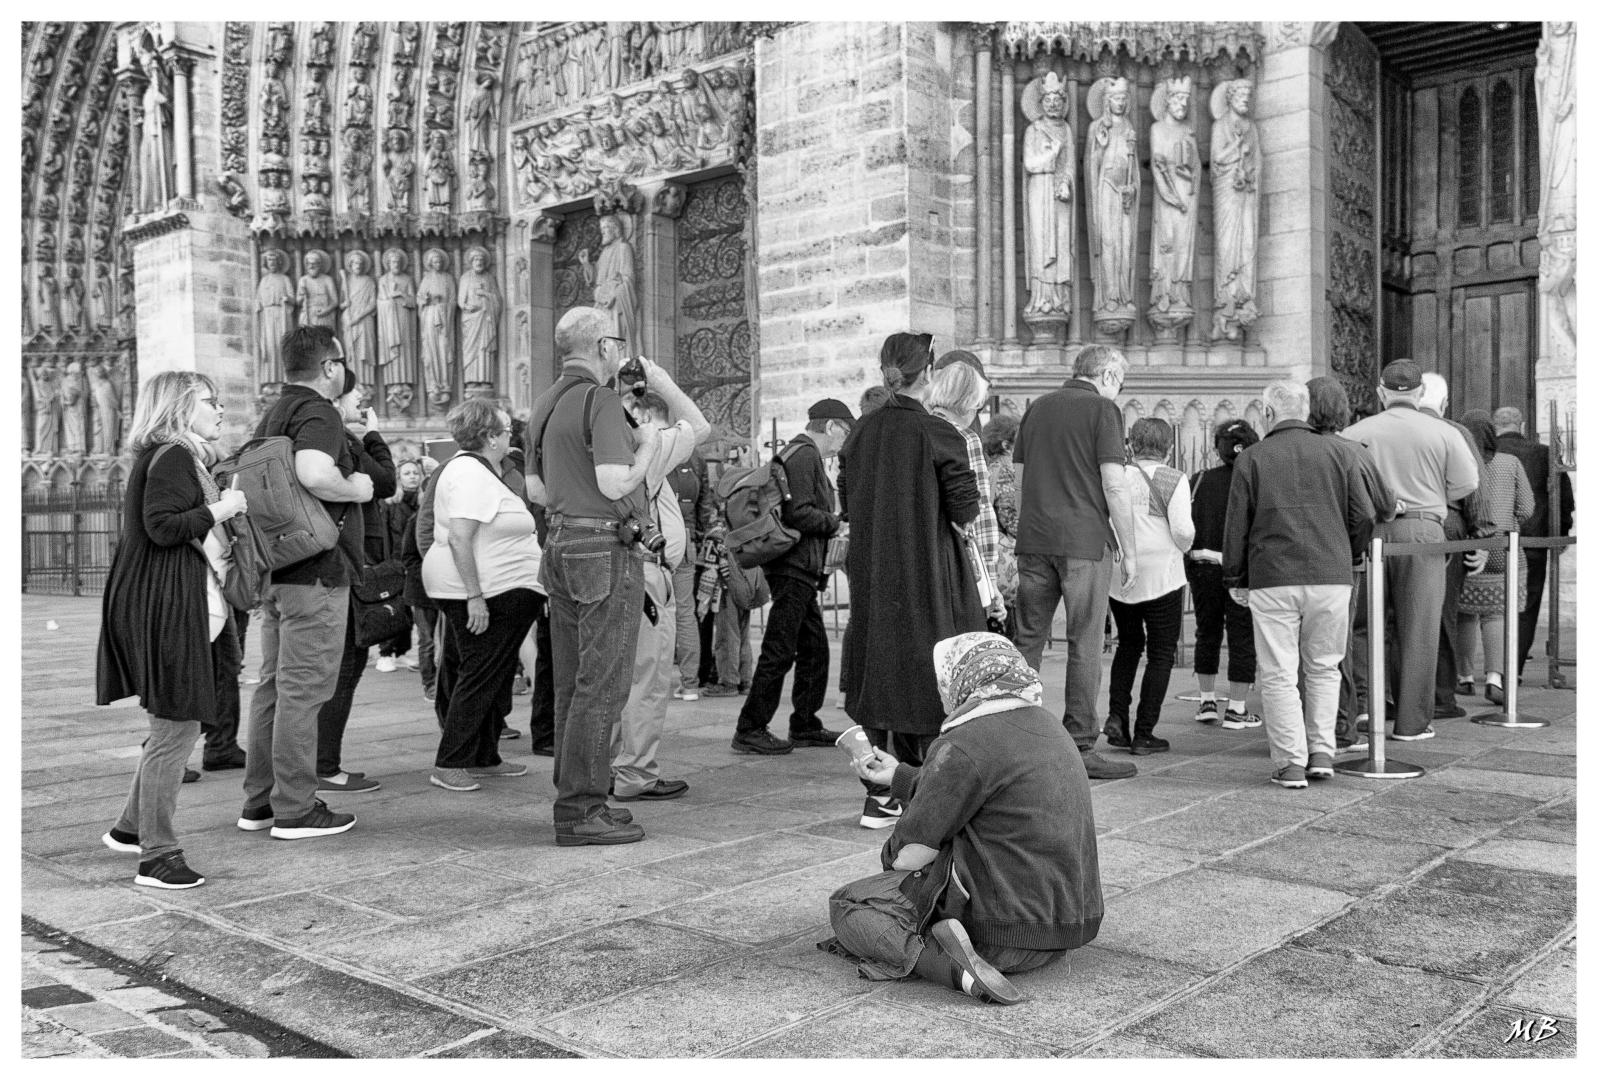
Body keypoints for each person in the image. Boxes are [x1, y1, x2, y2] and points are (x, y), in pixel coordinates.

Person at [824, 632, 1102, 1003]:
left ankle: (948, 966)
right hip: (1064, 932)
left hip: (1001, 937)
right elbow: (986, 783)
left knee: (848, 904)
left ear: (959, 681)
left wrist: (903, 841)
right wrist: (902, 778)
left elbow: (908, 856)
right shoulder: (1051, 726)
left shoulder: (964, 742)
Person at [97, 371, 249, 888]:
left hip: (175, 605)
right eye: (211, 400)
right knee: (175, 730)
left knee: (171, 725)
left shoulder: (177, 457)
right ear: (182, 408)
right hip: (170, 610)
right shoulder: (175, 456)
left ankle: (128, 828)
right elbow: (163, 527)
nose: (221, 408)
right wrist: (221, 508)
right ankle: (157, 856)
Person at [525, 307, 659, 847]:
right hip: (602, 545)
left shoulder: (545, 402)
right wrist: (646, 444)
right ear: (604, 346)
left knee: (574, 680)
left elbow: (535, 491)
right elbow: (611, 482)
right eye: (618, 344)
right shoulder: (598, 399)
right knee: (603, 683)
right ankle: (582, 809)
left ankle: (577, 796)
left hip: (559, 542)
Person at [839, 332, 984, 828]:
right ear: (929, 374)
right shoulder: (937, 432)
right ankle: (922, 792)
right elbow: (965, 510)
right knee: (931, 672)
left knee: (880, 667)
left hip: (875, 571)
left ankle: (879, 793)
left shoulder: (861, 431)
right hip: (928, 570)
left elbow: (848, 499)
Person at [241, 326, 372, 840]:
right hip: (315, 573)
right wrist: (357, 487)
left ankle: (260, 803)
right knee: (304, 690)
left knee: (273, 688)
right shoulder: (319, 412)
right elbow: (316, 472)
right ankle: (295, 807)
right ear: (331, 367)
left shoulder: (273, 411)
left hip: (277, 569)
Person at [1224, 381, 1378, 788]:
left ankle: (1291, 763)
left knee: (1278, 673)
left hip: (1273, 575)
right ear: (1306, 411)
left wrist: (1234, 576)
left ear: (1268, 413)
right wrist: (1347, 551)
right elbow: (1363, 515)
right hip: (1331, 574)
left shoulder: (1253, 458)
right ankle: (1322, 751)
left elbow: (1237, 523)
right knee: (1326, 667)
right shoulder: (1340, 452)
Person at [1011, 344, 1140, 779]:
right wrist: (1130, 547)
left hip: (1035, 539)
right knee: (1085, 642)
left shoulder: (1037, 408)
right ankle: (1080, 744)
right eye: (1119, 382)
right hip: (1084, 541)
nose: (1118, 392)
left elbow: (1021, 479)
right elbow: (1115, 484)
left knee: (1028, 638)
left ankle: (1018, 736)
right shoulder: (1103, 411)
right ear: (1105, 375)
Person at [1343, 361, 1479, 741]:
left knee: (1363, 625)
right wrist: (1432, 493)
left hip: (1370, 531)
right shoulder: (1443, 431)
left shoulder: (1354, 432)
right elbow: (1466, 485)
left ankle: (1367, 711)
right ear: (1420, 393)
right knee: (1419, 627)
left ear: (1381, 392)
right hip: (1423, 531)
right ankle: (1411, 722)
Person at [423, 400, 543, 791]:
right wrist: (475, 596)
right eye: (506, 430)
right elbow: (460, 536)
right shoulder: (469, 473)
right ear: (490, 436)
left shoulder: (478, 471)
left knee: (493, 672)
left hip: (499, 588)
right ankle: (451, 760)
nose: (511, 436)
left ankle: (483, 755)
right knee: (479, 672)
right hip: (485, 592)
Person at [732, 398, 855, 754]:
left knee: (815, 650)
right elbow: (798, 513)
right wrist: (836, 522)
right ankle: (750, 727)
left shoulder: (802, 454)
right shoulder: (804, 455)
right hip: (793, 566)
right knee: (779, 649)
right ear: (831, 426)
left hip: (799, 567)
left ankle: (805, 724)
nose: (843, 442)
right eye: (844, 432)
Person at [611, 376, 710, 800]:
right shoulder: (642, 449)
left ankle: (608, 769)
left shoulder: (594, 447)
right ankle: (634, 773)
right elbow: (701, 426)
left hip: (610, 569)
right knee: (648, 678)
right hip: (647, 572)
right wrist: (659, 378)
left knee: (614, 678)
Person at [311, 367, 396, 796]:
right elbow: (386, 481)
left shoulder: (333, 439)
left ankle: (321, 761)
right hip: (342, 564)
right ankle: (323, 764)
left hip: (342, 563)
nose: (362, 398)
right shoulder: (341, 440)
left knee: (344, 662)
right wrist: (375, 436)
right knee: (343, 664)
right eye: (356, 393)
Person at [1306, 376, 1395, 753]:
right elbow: (1382, 506)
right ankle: (1340, 726)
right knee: (1334, 647)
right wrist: (1354, 548)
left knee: (1299, 649)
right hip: (1342, 561)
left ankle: (1306, 726)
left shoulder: (1285, 448)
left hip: (1290, 560)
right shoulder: (1353, 450)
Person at [1105, 418, 1193, 755]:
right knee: (1160, 653)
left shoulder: (1116, 476)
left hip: (1122, 573)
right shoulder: (1174, 478)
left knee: (1128, 645)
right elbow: (1183, 531)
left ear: (1130, 445)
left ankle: (1116, 716)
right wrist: (1184, 545)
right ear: (1169, 448)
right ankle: (1144, 732)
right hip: (1163, 575)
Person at [1417, 373, 1488, 721]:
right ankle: (1441, 696)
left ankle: (1392, 693)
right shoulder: (1456, 432)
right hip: (1448, 528)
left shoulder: (1383, 427)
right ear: (1444, 403)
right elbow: (1476, 487)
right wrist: (1483, 536)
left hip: (1393, 528)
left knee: (1392, 615)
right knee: (1443, 613)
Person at [1185, 418, 1260, 730]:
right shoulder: (1254, 481)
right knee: (1242, 637)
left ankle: (1207, 701)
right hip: (1239, 570)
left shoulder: (1200, 479)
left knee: (1207, 632)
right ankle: (1238, 708)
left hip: (1202, 567)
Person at [1454, 411, 1534, 706]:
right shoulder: (1510, 463)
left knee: (1465, 612)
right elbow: (1527, 507)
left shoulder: (1460, 461)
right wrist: (1510, 519)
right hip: (1503, 545)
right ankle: (1494, 678)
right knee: (1496, 612)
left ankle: (1463, 677)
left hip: (1469, 544)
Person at [924, 350, 1007, 630]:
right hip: (958, 562)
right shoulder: (964, 438)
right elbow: (979, 515)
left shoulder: (916, 430)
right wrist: (991, 580)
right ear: (966, 401)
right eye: (978, 406)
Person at [1492, 406, 1574, 678]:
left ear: (1495, 426)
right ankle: (1512, 669)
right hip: (1534, 540)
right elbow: (1564, 498)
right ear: (1523, 425)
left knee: (1489, 607)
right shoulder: (1543, 453)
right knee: (1526, 606)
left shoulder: (1487, 451)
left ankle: (1481, 670)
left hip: (1492, 539)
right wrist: (1560, 532)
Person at [666, 437, 715, 702]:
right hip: (686, 539)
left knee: (653, 612)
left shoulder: (649, 446)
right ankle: (690, 684)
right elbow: (705, 502)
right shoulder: (694, 456)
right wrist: (698, 534)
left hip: (657, 536)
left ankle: (655, 680)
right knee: (685, 613)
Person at [376, 458, 424, 672]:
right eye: (407, 473)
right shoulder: (389, 503)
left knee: (414, 610)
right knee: (394, 609)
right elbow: (384, 535)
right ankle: (386, 653)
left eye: (415, 472)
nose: (412, 476)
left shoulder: (425, 502)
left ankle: (403, 652)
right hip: (395, 563)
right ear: (398, 477)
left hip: (417, 563)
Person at [982, 413, 1021, 641]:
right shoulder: (1006, 470)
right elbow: (1011, 519)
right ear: (1007, 445)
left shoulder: (988, 468)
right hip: (1007, 560)